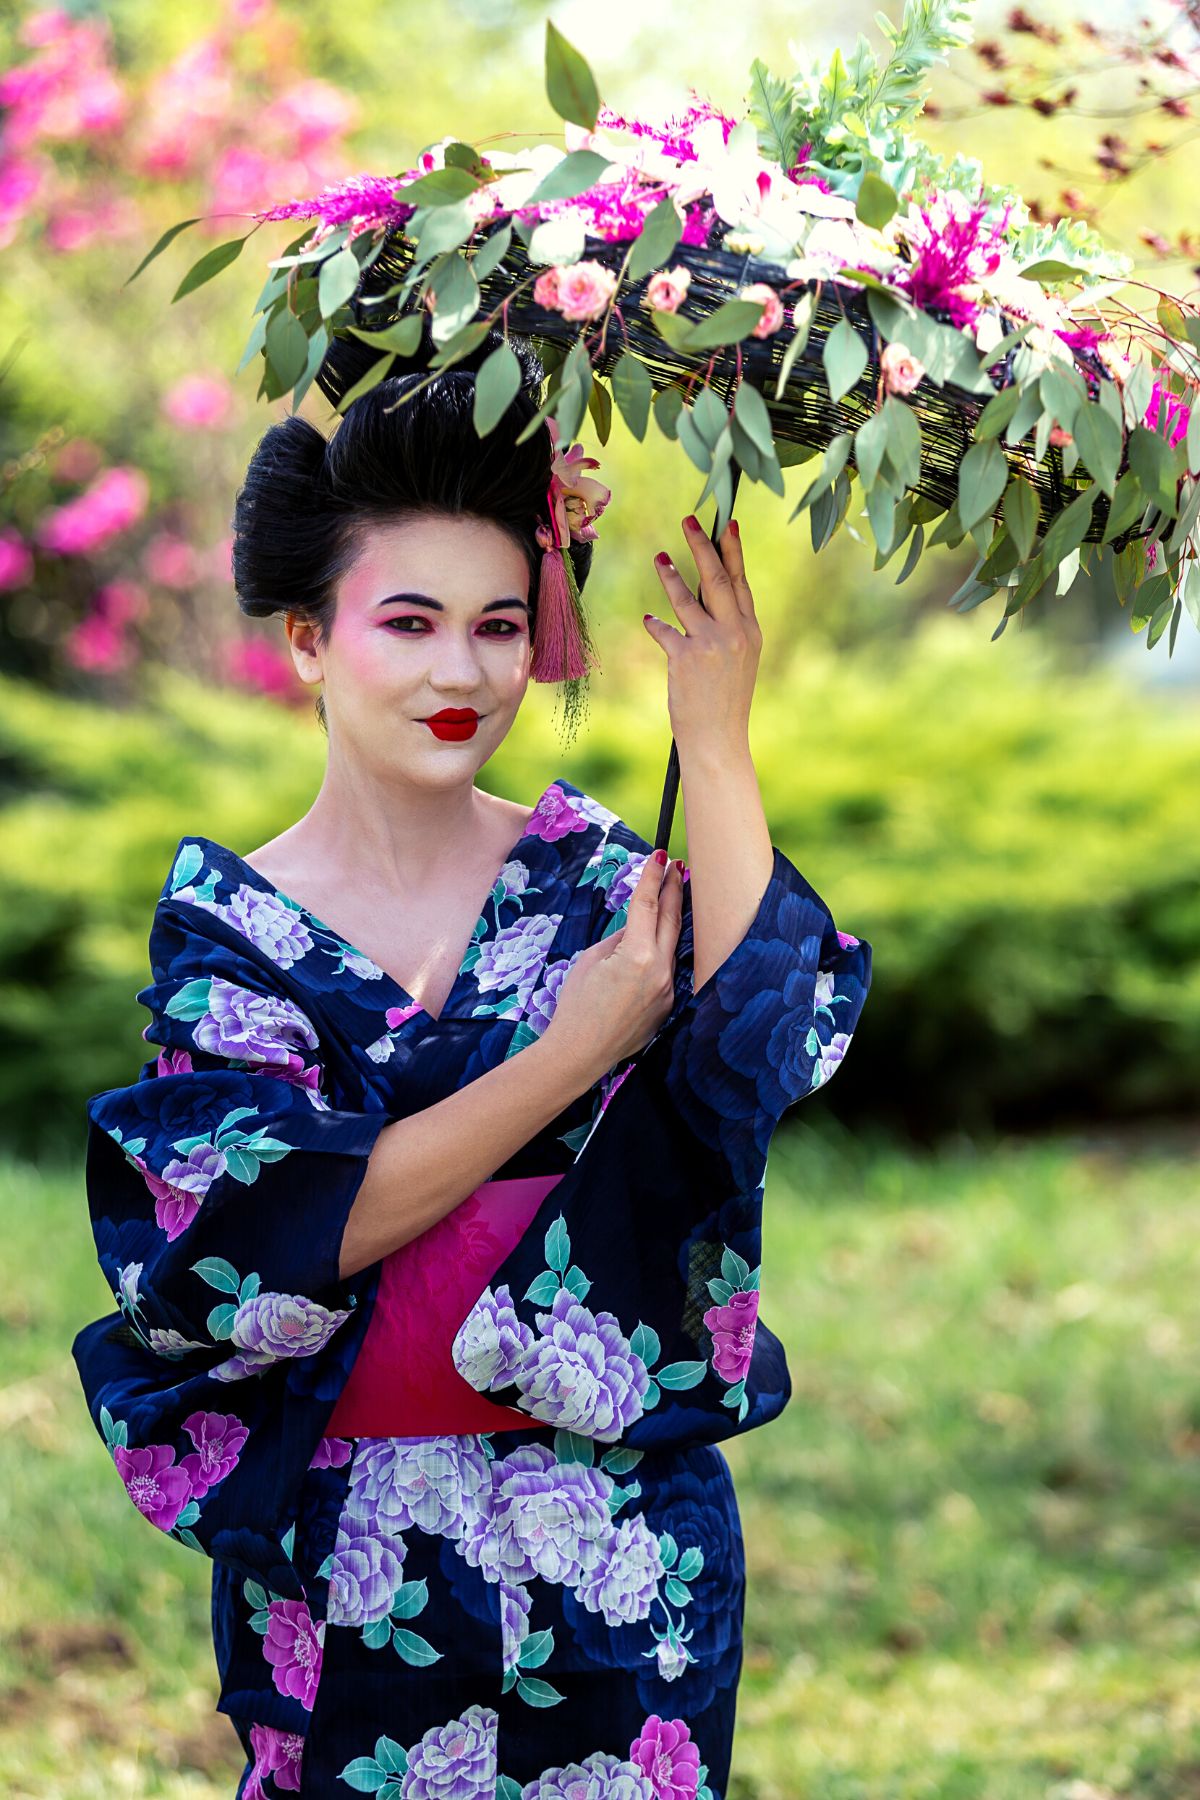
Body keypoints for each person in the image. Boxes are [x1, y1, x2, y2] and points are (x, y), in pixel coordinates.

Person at [72, 319, 873, 1800]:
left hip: (619, 1539)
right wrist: (571, 1055)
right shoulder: (234, 935)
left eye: (502, 626)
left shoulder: (582, 876)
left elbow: (765, 1040)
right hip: (353, 1547)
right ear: (309, 637)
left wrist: (717, 741)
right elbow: (265, 1241)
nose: (464, 671)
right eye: (411, 622)